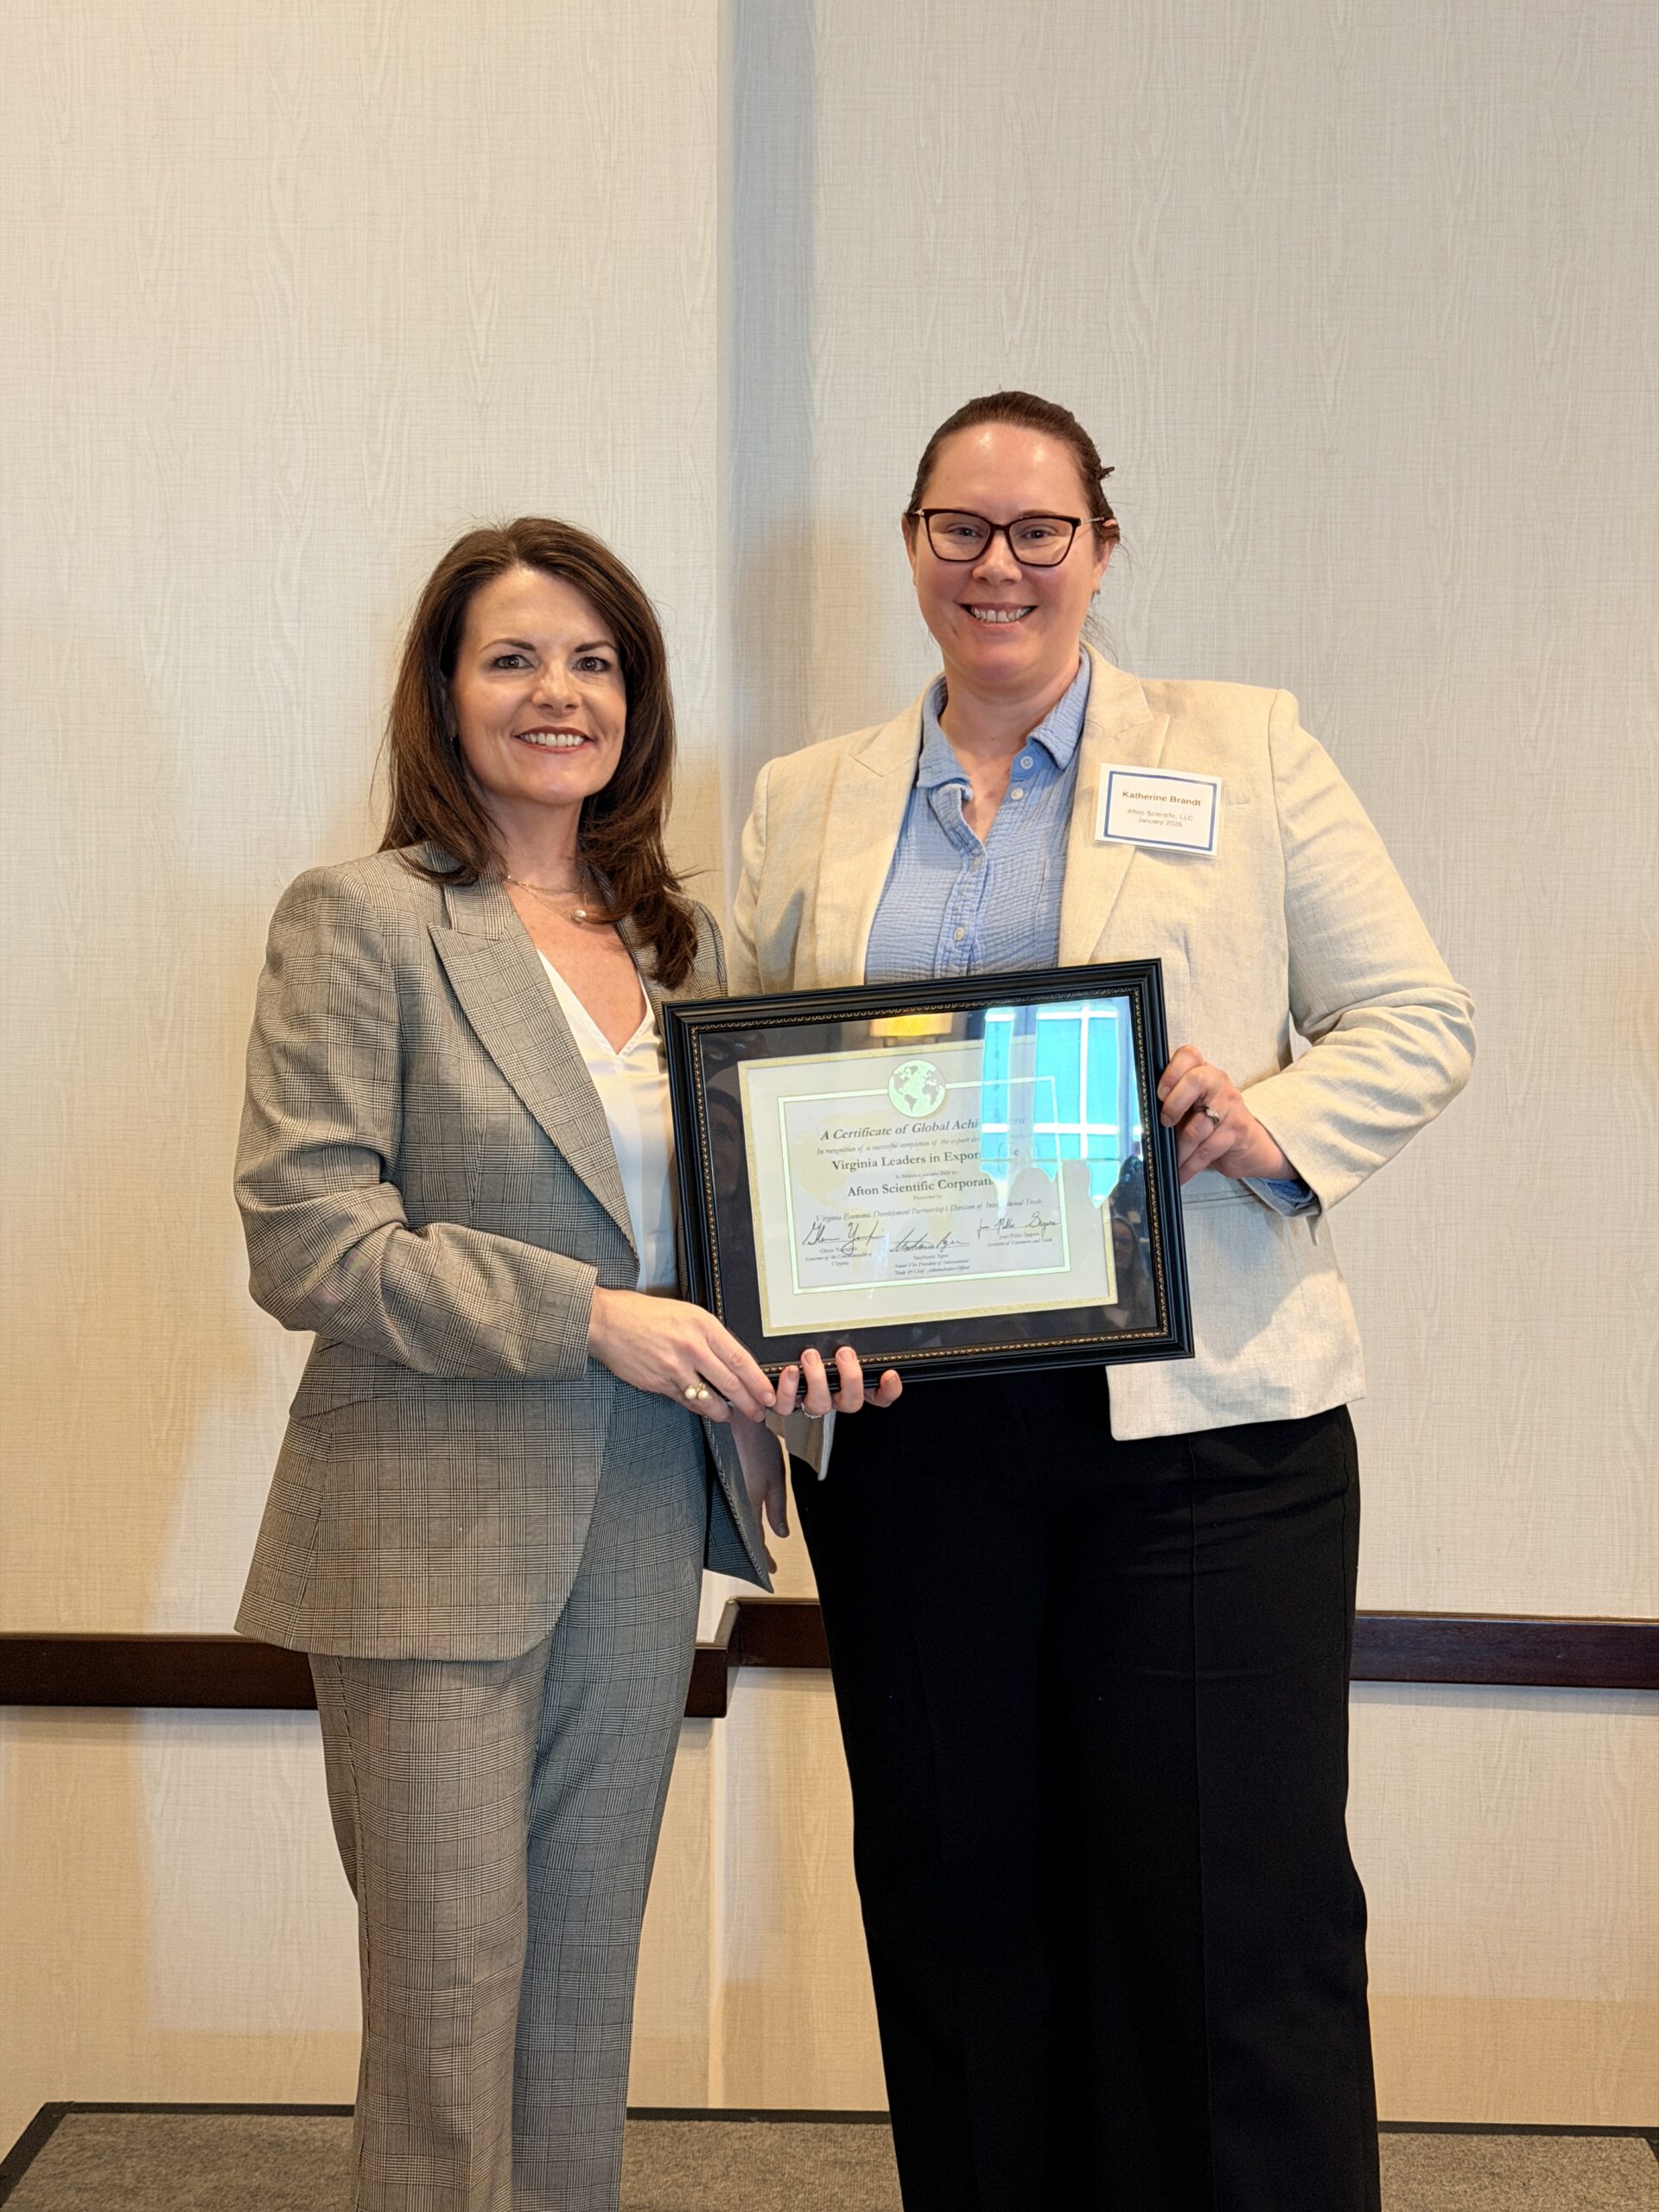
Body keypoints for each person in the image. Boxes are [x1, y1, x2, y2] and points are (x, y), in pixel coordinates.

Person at [733, 393, 1474, 2212]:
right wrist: (772, 1292)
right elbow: (746, 1105)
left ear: (1102, 547)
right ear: (912, 546)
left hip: (1206, 1430)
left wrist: (1263, 1114)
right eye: (960, 529)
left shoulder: (1243, 748)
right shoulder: (802, 798)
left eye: (1037, 530)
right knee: (958, 1886)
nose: (998, 566)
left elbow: (1418, 1022)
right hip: (908, 1441)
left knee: (1235, 1906)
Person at [233, 516, 894, 2212]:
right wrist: (584, 1313)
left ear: (638, 699)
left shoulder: (684, 948)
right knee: (450, 2025)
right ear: (444, 693)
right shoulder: (364, 918)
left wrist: (803, 1360)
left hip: (633, 1527)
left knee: (579, 2012)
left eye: (596, 659)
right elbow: (309, 1233)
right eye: (514, 655)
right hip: (421, 1535)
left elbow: (747, 1245)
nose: (559, 691)